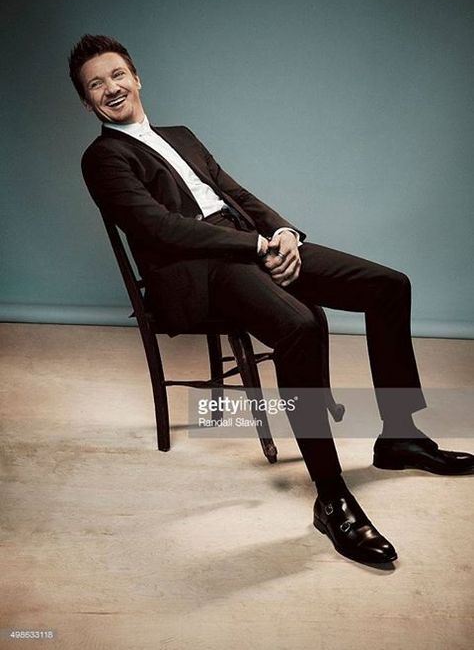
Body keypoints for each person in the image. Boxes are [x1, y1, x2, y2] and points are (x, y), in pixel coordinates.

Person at [69, 34, 473, 566]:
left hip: (248, 250)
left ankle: (400, 435)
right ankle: (332, 500)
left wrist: (283, 234)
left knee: (389, 285)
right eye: (96, 84)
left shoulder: (181, 135)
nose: (111, 88)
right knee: (301, 326)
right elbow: (161, 229)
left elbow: (236, 196)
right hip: (196, 273)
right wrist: (255, 246)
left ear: (137, 78)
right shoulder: (103, 157)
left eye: (117, 75)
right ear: (86, 102)